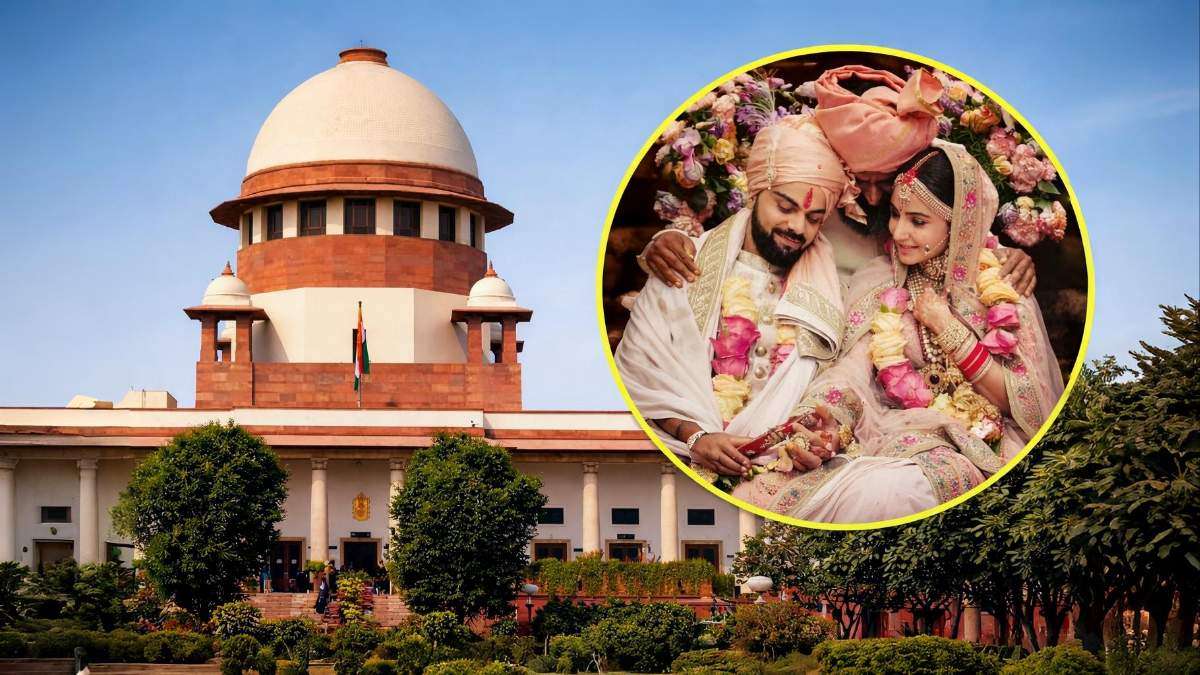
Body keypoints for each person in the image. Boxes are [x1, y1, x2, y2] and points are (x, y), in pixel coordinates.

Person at [730, 142, 1064, 522]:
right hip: (893, 429)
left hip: (983, 439)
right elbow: (853, 371)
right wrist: (822, 420)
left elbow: (1031, 407)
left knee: (895, 493)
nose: (899, 232)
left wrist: (948, 327)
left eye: (918, 221)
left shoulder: (1001, 281)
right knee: (761, 493)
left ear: (961, 223)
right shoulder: (880, 279)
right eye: (894, 215)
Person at [639, 66, 1037, 300]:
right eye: (863, 180)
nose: (877, 196)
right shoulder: (812, 196)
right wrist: (664, 242)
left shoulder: (918, 204)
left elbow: (967, 240)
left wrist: (1011, 257)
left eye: (888, 182)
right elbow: (745, 234)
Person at [615, 114, 857, 478]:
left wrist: (820, 437)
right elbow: (638, 377)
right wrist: (697, 437)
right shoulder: (683, 264)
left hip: (793, 468)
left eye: (813, 218)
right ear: (755, 193)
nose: (797, 227)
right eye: (786, 207)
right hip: (684, 458)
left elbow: (841, 384)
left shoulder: (833, 295)